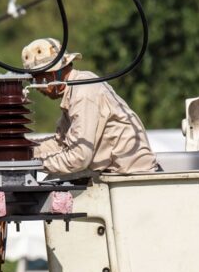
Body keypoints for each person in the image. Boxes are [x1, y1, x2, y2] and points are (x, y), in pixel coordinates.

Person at [21, 37, 158, 176]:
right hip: (114, 173)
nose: (35, 86)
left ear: (52, 73)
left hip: (132, 178)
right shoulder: (74, 91)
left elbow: (79, 158)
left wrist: (30, 162)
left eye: (35, 78)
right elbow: (60, 144)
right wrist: (21, 149)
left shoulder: (83, 92)